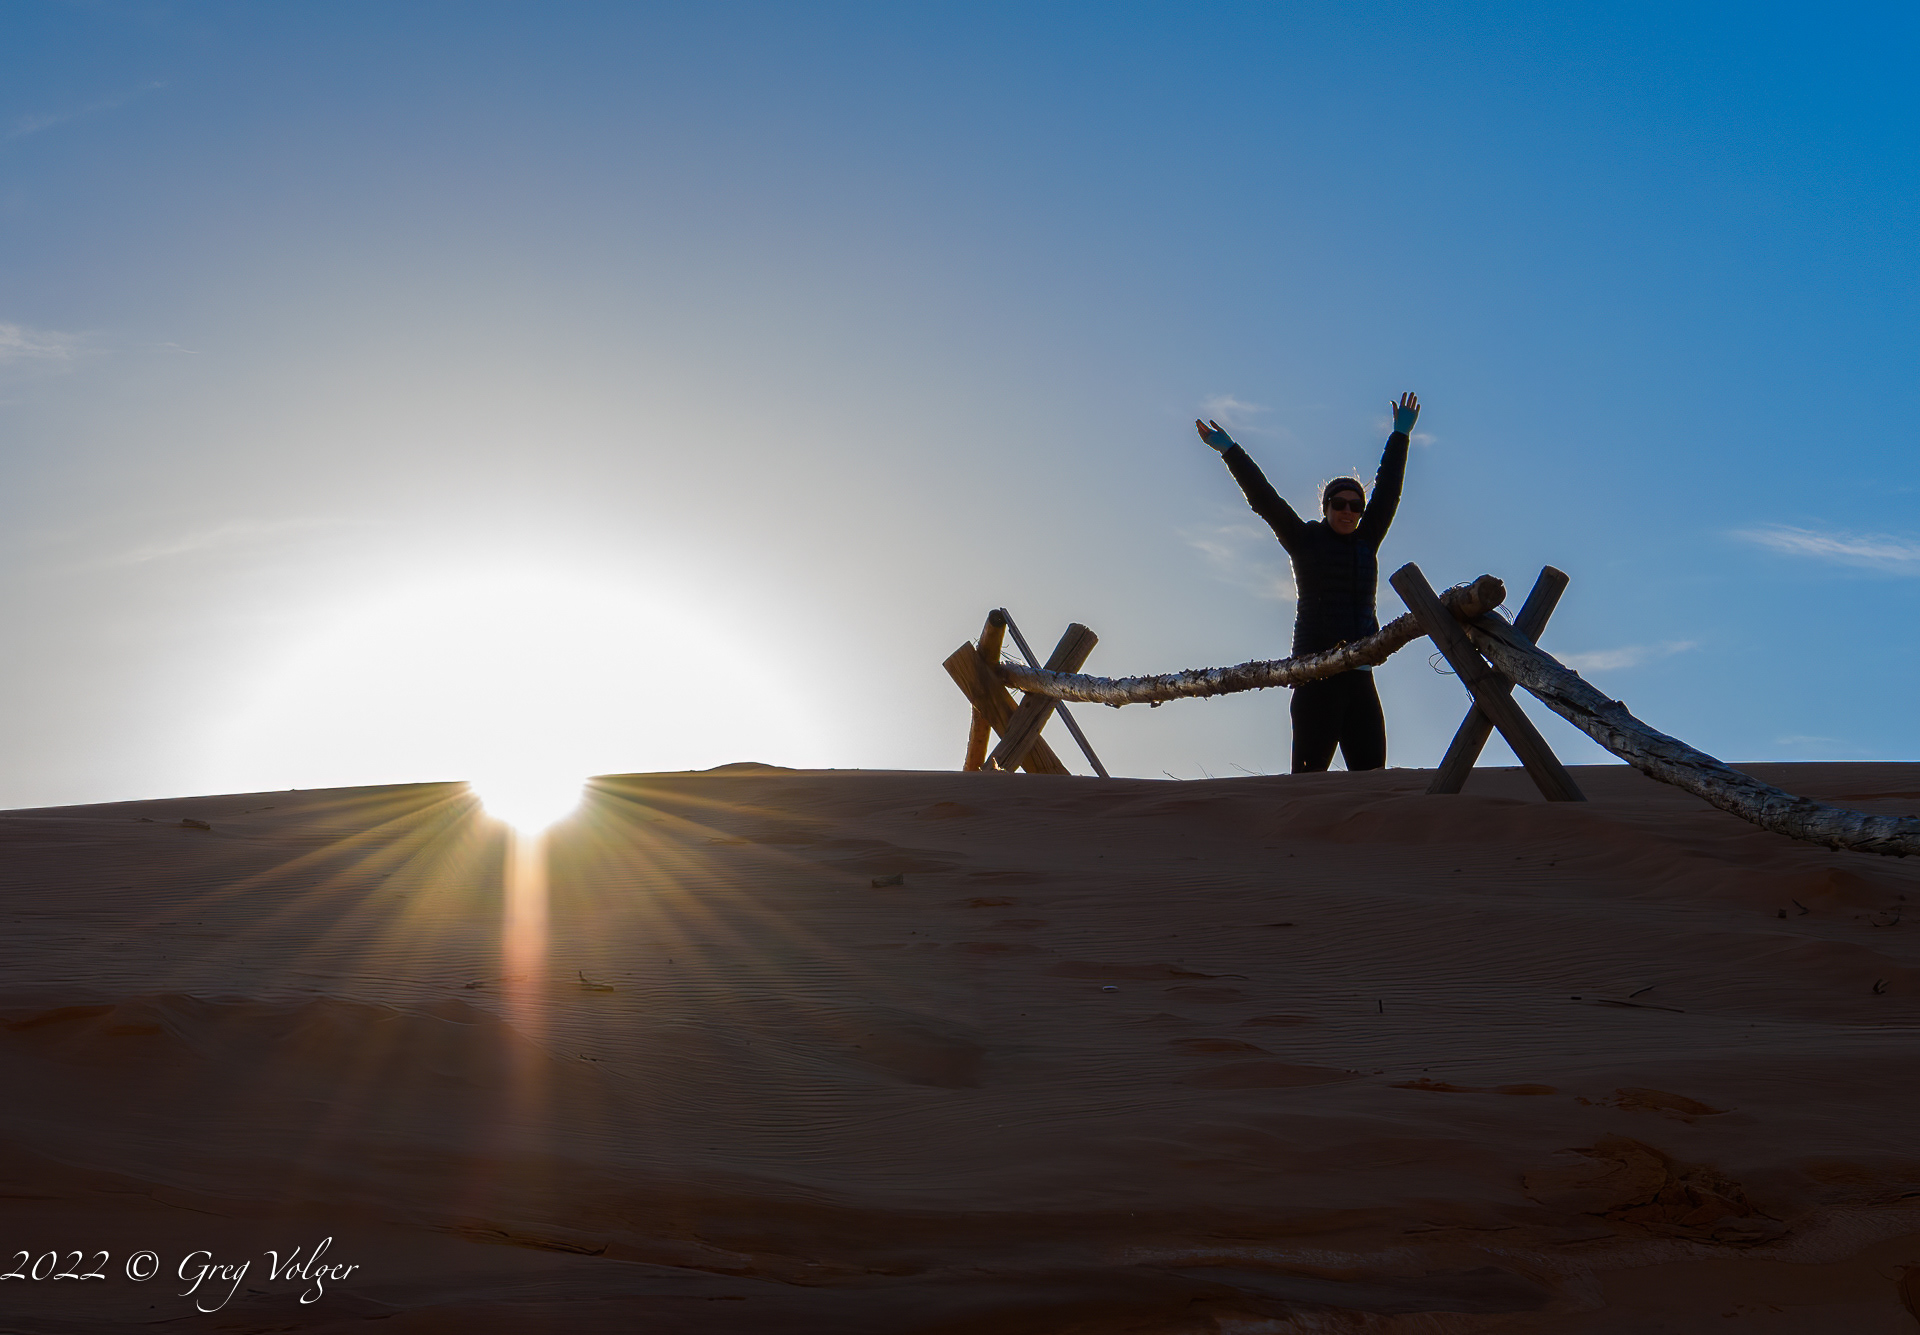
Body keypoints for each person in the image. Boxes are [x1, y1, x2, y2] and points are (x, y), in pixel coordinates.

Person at [1195, 393, 1420, 774]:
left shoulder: (1367, 541)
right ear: (1326, 507)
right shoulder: (1304, 541)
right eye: (1340, 504)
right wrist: (1229, 450)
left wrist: (1400, 436)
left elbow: (1389, 492)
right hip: (1314, 674)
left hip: (1361, 675)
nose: (1349, 511)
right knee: (1309, 782)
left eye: (1355, 506)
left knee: (1371, 781)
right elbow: (1264, 498)